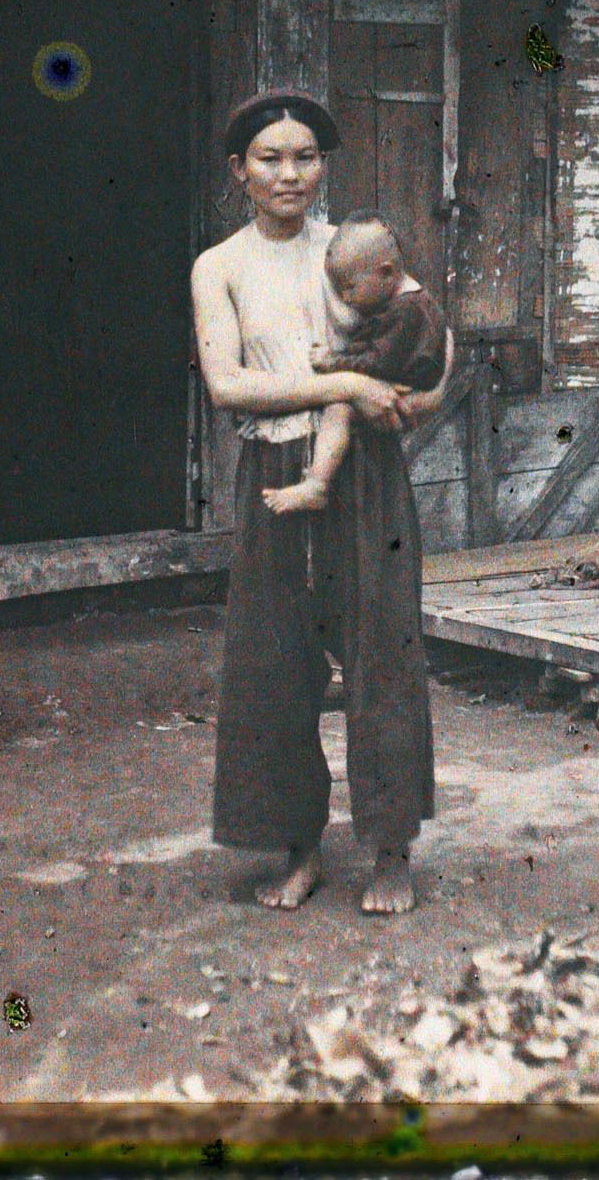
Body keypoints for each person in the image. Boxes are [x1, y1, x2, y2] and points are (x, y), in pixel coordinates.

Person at [190, 91, 452, 916]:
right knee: (274, 662)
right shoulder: (219, 266)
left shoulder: (352, 249)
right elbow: (227, 382)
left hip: (364, 471)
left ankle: (390, 851)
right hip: (273, 467)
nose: (288, 173)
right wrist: (343, 382)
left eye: (304, 157)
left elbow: (430, 336)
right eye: (269, 158)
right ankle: (297, 849)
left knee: (382, 651)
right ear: (239, 172)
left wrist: (426, 394)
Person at [261, 211, 448, 518]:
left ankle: (317, 484)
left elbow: (377, 363)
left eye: (350, 287)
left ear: (386, 272)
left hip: (401, 389)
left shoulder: (405, 312)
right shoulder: (411, 299)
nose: (345, 298)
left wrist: (334, 362)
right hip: (400, 385)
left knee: (339, 410)